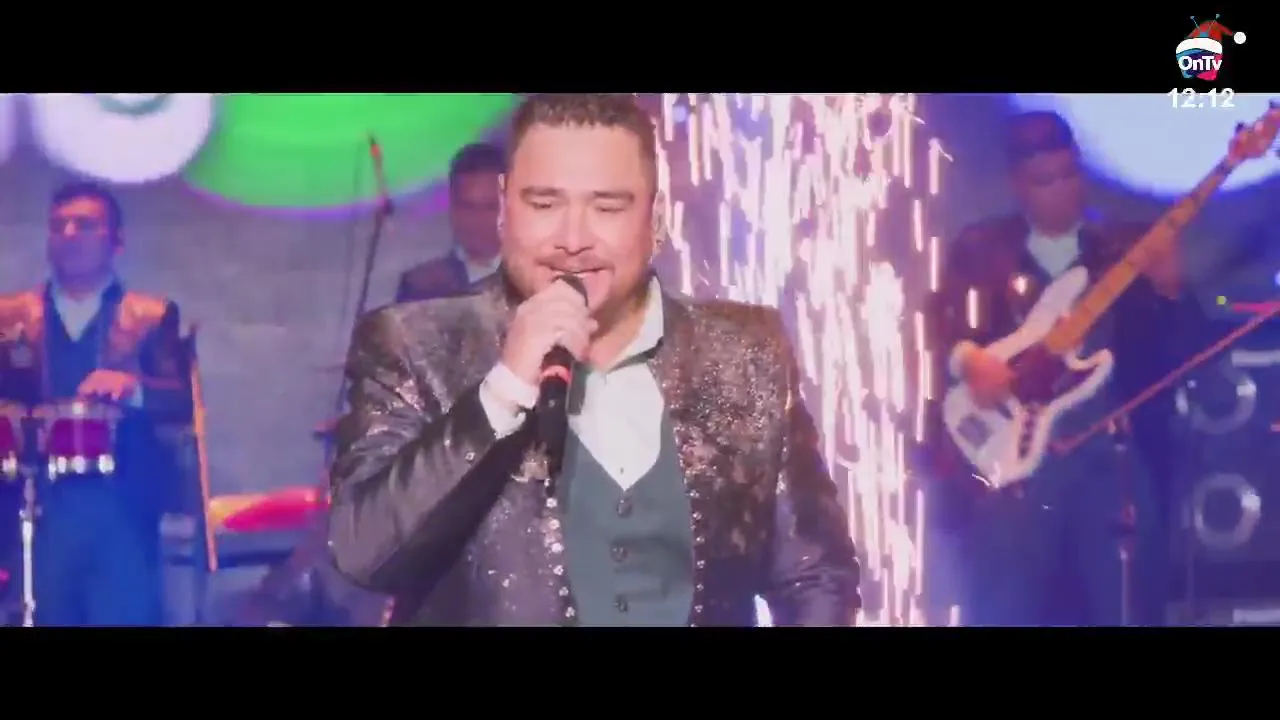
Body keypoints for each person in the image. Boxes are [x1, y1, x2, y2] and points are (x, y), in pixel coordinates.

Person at [328, 93, 860, 626]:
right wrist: (504, 390)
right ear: (505, 208)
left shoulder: (745, 352)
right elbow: (365, 552)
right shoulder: (415, 344)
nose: (573, 240)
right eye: (544, 204)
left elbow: (815, 576)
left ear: (655, 217)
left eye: (607, 207)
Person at [928, 111, 1208, 626]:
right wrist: (971, 361)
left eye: (1069, 173)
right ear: (1018, 184)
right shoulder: (982, 247)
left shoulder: (1121, 250)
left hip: (1110, 459)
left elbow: (1186, 354)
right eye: (1044, 180)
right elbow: (941, 324)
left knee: (1127, 601)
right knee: (1005, 603)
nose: (1062, 190)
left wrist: (1171, 289)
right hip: (1014, 459)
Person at [0, 182, 193, 625]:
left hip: (123, 501)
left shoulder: (152, 316)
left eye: (85, 224)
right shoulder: (9, 317)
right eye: (58, 226)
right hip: (35, 503)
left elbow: (182, 401)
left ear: (117, 241)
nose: (69, 234)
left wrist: (133, 386)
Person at [394, 142, 505, 302]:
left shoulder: (533, 278)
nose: (478, 219)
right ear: (452, 207)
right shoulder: (421, 286)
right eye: (467, 207)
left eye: (490, 207)